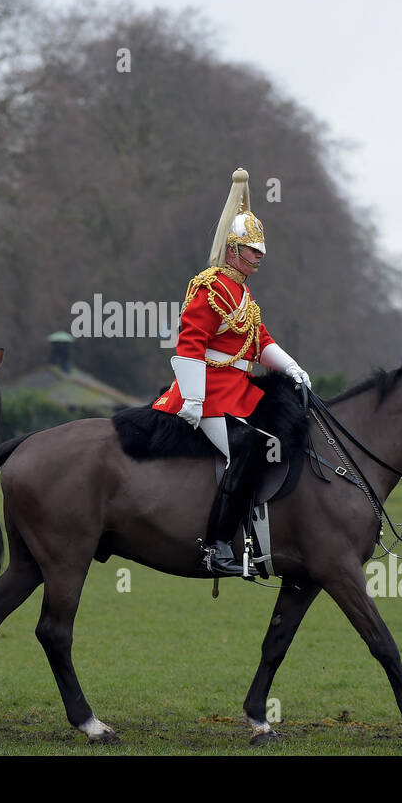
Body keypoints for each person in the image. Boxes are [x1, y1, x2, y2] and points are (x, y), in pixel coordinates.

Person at [152, 167, 310, 576]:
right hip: (208, 394)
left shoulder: (242, 291)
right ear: (231, 248)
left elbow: (260, 342)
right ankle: (218, 544)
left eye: (261, 251)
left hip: (238, 390)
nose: (259, 257)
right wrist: (193, 398)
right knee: (248, 450)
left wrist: (293, 369)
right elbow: (189, 343)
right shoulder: (210, 287)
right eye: (251, 249)